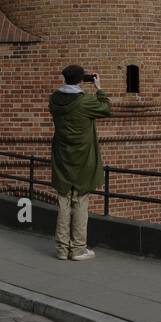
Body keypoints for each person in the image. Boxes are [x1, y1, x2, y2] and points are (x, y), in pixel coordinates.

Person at [49, 63, 111, 262]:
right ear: (81, 79)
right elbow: (106, 109)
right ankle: (77, 249)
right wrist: (99, 88)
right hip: (82, 158)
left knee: (63, 201)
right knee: (81, 201)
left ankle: (61, 248)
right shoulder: (85, 102)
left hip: (62, 156)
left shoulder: (54, 100)